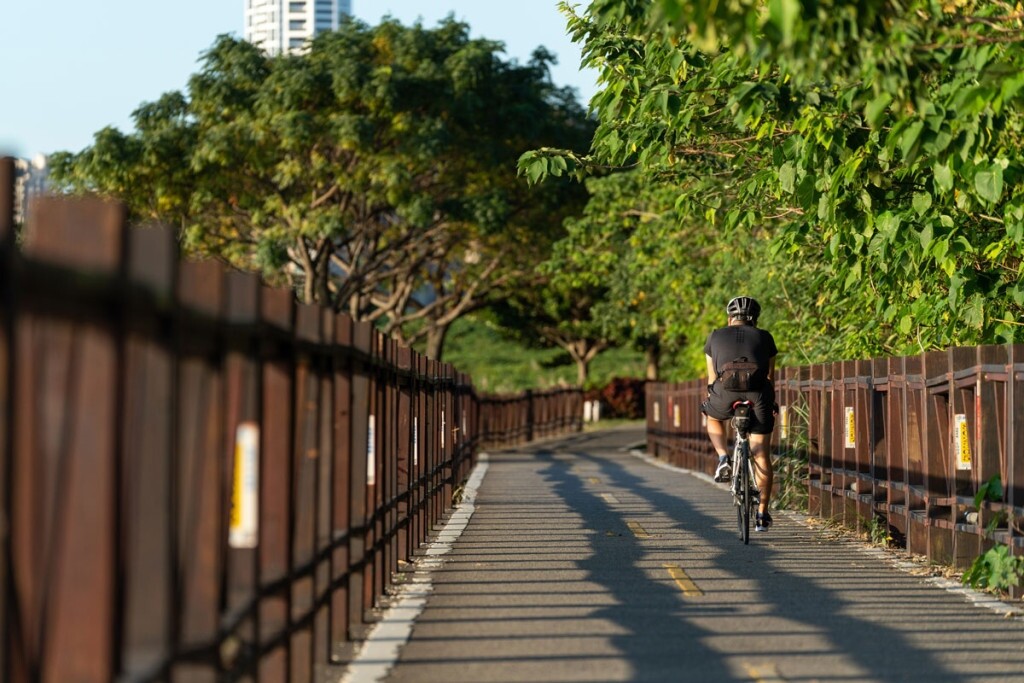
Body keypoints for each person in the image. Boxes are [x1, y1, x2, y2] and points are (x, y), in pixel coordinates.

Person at [701, 296, 778, 532]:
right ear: (755, 319)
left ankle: (723, 457)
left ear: (729, 318)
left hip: (725, 393)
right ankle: (762, 515)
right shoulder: (765, 337)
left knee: (712, 417)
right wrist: (771, 402)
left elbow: (712, 378)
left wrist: (713, 397)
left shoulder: (714, 336)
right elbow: (769, 377)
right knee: (761, 454)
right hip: (757, 396)